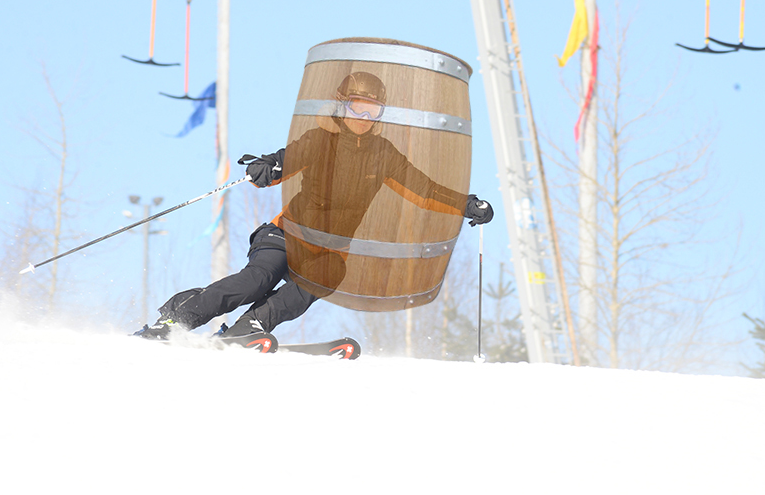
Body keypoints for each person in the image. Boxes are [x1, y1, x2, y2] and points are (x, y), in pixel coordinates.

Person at [133, 72, 494, 341]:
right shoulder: (321, 139)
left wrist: (465, 204)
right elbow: (288, 158)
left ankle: (248, 328)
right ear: (341, 104)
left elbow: (425, 190)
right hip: (286, 235)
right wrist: (268, 167)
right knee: (257, 280)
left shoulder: (384, 155)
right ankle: (177, 319)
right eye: (356, 107)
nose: (363, 117)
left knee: (322, 280)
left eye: (372, 110)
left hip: (327, 252)